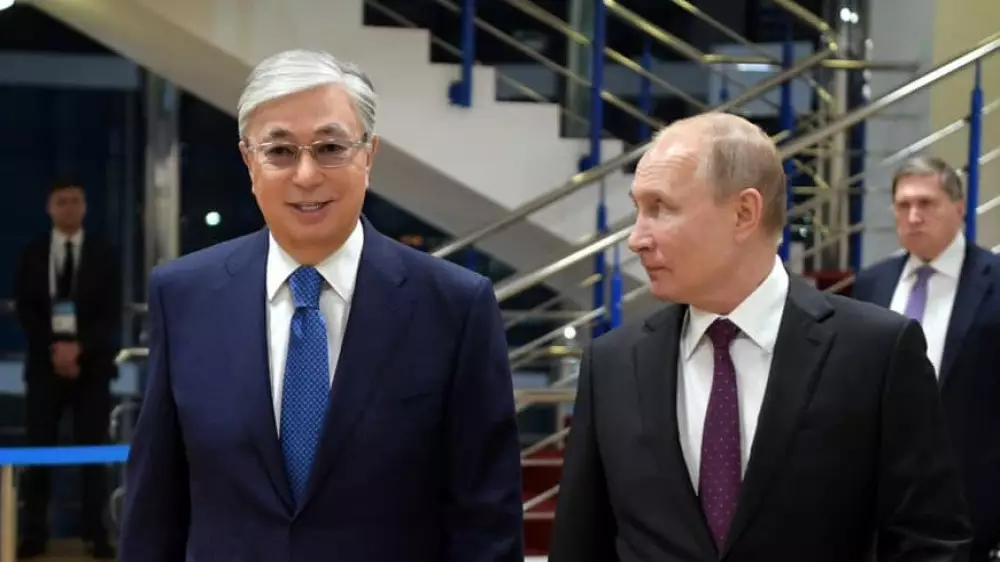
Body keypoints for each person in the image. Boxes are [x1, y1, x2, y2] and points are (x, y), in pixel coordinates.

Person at [118, 50, 524, 561]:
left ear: (368, 154)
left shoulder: (455, 307)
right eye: (280, 151)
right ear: (249, 161)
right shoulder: (184, 297)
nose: (307, 175)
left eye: (330, 147)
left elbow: (487, 520)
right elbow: (155, 507)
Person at [548, 112, 972, 562]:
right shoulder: (611, 365)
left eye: (661, 208)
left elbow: (930, 543)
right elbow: (581, 544)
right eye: (638, 209)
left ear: (744, 213)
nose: (636, 239)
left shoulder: (876, 352)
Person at [854, 155, 1000, 561]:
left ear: (959, 208)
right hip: (884, 501)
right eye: (903, 205)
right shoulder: (872, 283)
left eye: (926, 203)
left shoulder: (995, 281)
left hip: (974, 500)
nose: (914, 216)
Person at [14, 181, 119, 559]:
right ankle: (34, 534)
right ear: (50, 207)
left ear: (85, 206)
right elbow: (26, 309)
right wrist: (55, 349)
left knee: (93, 453)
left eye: (75, 201)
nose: (69, 207)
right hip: (44, 368)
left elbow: (110, 312)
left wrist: (79, 348)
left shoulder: (104, 253)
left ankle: (95, 533)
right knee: (38, 451)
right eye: (62, 201)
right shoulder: (32, 252)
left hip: (92, 369)